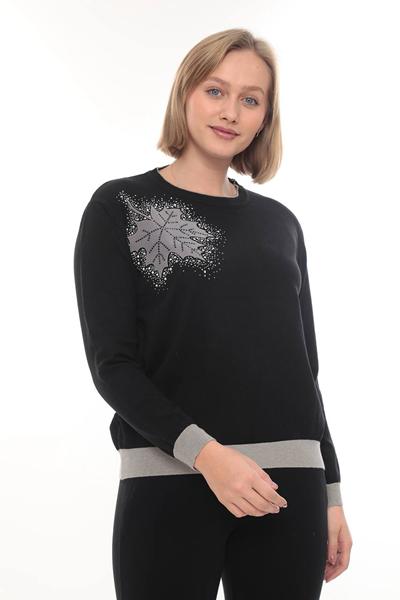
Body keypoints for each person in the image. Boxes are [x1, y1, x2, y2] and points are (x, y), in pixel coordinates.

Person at [74, 28, 353, 600]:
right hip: (170, 477)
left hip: (288, 488)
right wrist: (207, 455)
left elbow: (305, 371)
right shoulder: (120, 206)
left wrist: (331, 494)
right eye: (215, 91)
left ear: (265, 117)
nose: (231, 112)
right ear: (185, 93)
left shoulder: (280, 224)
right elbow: (113, 365)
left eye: (251, 99)